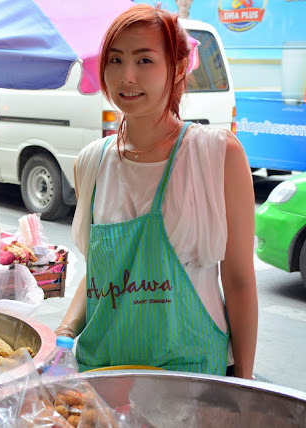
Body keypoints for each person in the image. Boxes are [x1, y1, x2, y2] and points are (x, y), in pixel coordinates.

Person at [55, 4, 257, 379]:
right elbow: (103, 275)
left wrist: (243, 386)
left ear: (178, 67)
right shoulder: (91, 163)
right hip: (102, 378)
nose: (126, 76)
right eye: (115, 60)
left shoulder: (216, 155)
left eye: (144, 60)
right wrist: (64, 333)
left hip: (190, 381)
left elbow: (240, 282)